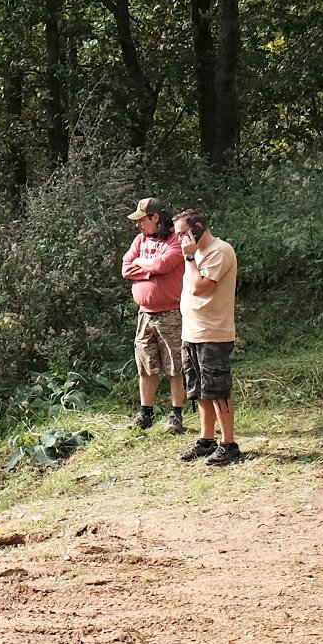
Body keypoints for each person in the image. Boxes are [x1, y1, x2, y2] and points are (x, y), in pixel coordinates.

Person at [175, 209, 240, 465]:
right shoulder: (194, 253)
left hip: (213, 333)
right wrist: (190, 255)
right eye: (177, 234)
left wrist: (190, 257)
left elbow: (199, 288)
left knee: (218, 390)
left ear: (199, 226)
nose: (180, 239)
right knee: (200, 389)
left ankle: (229, 444)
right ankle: (207, 440)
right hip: (192, 332)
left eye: (183, 233)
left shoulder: (220, 251)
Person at [120, 197, 186, 431]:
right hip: (145, 314)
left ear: (155, 217)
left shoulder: (176, 239)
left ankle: (176, 416)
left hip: (172, 314)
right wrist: (149, 270)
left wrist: (141, 263)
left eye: (142, 220)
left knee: (175, 365)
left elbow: (163, 265)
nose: (138, 225)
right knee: (146, 364)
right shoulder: (140, 240)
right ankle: (145, 414)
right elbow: (125, 268)